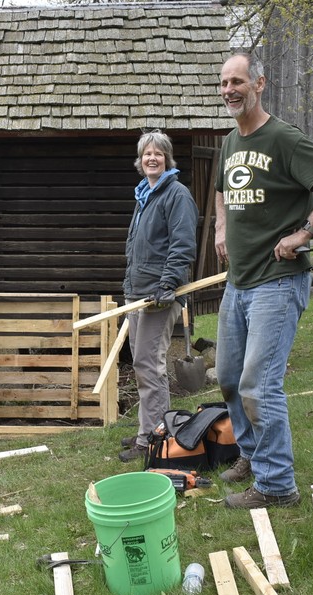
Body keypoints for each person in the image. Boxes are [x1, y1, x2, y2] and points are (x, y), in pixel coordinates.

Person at [214, 52, 313, 507]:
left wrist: (306, 232)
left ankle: (277, 487)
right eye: (223, 83)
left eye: (238, 81)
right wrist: (220, 227)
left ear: (260, 83)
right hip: (239, 282)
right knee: (229, 377)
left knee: (259, 384)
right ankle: (253, 457)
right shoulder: (229, 142)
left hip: (276, 283)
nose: (229, 90)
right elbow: (221, 189)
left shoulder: (283, 138)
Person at [119, 130, 197, 463]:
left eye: (159, 154)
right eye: (147, 153)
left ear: (167, 160)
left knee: (151, 365)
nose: (152, 158)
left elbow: (182, 245)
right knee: (142, 364)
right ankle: (147, 429)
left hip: (158, 296)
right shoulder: (144, 195)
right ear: (140, 160)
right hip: (137, 294)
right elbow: (137, 250)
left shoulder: (175, 194)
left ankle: (154, 438)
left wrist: (167, 285)